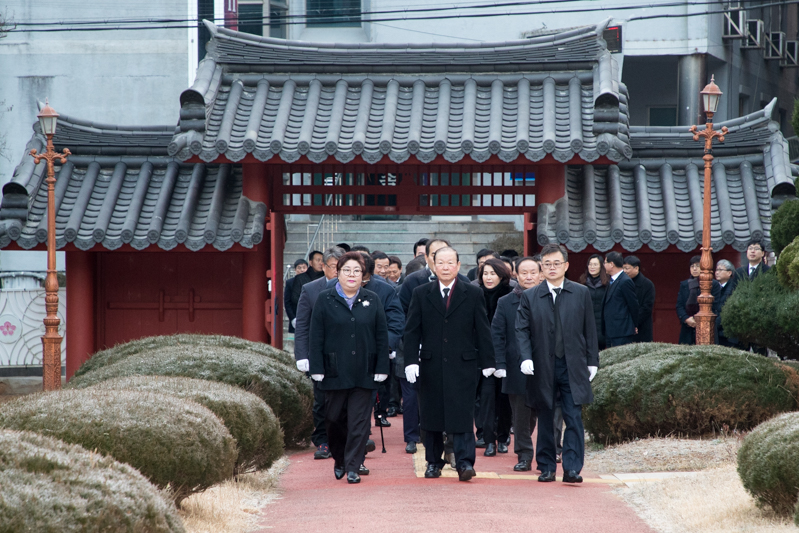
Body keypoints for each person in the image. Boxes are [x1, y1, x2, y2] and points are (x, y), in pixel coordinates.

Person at [404, 246, 495, 482]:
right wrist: (411, 361)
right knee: (432, 415)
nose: (445, 267)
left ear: (458, 265)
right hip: (431, 364)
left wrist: (488, 361)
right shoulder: (421, 293)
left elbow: (483, 330)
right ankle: (433, 462)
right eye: (440, 263)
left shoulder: (473, 293)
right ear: (433, 265)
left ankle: (464, 463)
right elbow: (412, 331)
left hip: (463, 364)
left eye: (450, 263)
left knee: (462, 414)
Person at [516, 244, 599, 484]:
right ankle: (547, 466)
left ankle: (572, 468)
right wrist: (526, 357)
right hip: (542, 365)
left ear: (566, 266)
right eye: (547, 264)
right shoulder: (530, 295)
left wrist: (592, 360)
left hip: (573, 365)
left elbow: (590, 330)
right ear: (542, 267)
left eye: (556, 264)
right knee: (546, 417)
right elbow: (521, 330)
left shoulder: (581, 292)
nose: (552, 268)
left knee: (573, 416)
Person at [309, 252, 390, 484]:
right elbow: (316, 337)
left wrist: (382, 366)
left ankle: (354, 465)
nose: (352, 275)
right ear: (338, 273)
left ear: (363, 274)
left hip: (365, 371)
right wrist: (317, 367)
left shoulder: (372, 299)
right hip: (334, 371)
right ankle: (340, 459)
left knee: (359, 421)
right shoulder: (324, 299)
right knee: (333, 419)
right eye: (347, 270)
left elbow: (381, 335)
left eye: (356, 270)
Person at [329, 252, 404, 428]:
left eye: (363, 277)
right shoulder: (332, 290)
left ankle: (361, 435)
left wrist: (385, 346)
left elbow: (396, 322)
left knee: (364, 401)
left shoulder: (384, 290)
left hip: (372, 354)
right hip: (341, 356)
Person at [294, 246, 345, 460]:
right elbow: (302, 325)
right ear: (323, 267)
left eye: (339, 267)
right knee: (322, 400)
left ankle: (347, 439)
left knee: (348, 400)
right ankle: (323, 441)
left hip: (346, 354)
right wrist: (302, 355)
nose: (335, 271)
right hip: (320, 355)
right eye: (332, 266)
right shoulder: (311, 289)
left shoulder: (354, 289)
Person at [492, 256, 542, 472]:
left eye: (533, 272)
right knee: (521, 415)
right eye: (524, 273)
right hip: (515, 365)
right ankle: (524, 454)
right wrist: (500, 364)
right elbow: (497, 335)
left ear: (540, 274)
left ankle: (550, 451)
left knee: (539, 413)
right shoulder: (505, 302)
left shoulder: (550, 298)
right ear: (516, 275)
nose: (529, 276)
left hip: (545, 366)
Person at [475, 258, 513, 457]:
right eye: (485, 274)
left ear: (502, 276)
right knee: (486, 399)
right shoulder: (476, 294)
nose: (488, 278)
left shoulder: (510, 295)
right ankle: (488, 440)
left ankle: (503, 437)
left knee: (504, 399)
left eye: (493, 274)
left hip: (506, 355)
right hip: (483, 356)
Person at [399, 238, 469, 314]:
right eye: (434, 255)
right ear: (426, 257)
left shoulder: (464, 282)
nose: (438, 259)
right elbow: (402, 313)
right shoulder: (412, 281)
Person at [676, 255, 722, 345]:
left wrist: (699, 319)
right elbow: (679, 305)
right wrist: (686, 319)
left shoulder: (713, 284)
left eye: (697, 266)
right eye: (692, 266)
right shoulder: (685, 284)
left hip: (706, 325)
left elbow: (715, 305)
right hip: (688, 325)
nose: (694, 269)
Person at [601, 251, 639, 347]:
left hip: (622, 330)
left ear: (611, 264)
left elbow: (633, 305)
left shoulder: (625, 281)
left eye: (605, 263)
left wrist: (634, 324)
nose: (604, 265)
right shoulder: (613, 280)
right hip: (611, 330)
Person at [622, 256, 656, 343]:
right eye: (623, 268)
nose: (624, 271)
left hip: (642, 327)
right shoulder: (621, 283)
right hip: (624, 326)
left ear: (636, 268)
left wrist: (633, 322)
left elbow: (647, 307)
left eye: (627, 268)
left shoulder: (647, 284)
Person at [578, 254, 608, 350]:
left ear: (601, 266)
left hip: (603, 322)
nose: (592, 267)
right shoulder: (582, 282)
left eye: (595, 264)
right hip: (586, 320)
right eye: (590, 264)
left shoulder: (607, 283)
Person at [289, 250, 325, 318]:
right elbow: (295, 297)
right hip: (306, 314)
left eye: (322, 260)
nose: (321, 263)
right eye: (318, 260)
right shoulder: (300, 278)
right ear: (310, 263)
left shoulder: (326, 277)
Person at [715, 259, 738, 347]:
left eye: (720, 270)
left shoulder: (734, 287)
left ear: (729, 273)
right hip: (716, 331)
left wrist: (715, 325)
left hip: (728, 333)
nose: (717, 272)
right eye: (716, 270)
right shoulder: (714, 287)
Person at [284, 258, 308, 333]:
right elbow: (287, 302)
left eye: (304, 267)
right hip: (296, 315)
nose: (302, 270)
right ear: (295, 269)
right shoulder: (290, 283)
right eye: (299, 268)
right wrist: (293, 318)